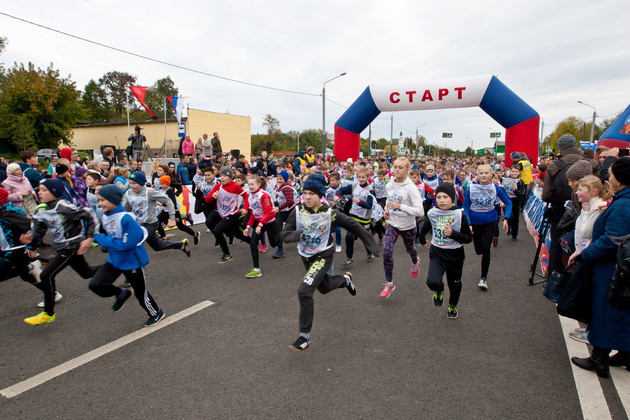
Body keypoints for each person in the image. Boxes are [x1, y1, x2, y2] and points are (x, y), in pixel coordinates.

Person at [281, 173, 379, 351]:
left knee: (304, 291)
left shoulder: (330, 214)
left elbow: (354, 225)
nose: (307, 197)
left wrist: (370, 244)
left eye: (312, 193)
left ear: (320, 195)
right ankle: (345, 280)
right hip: (306, 256)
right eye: (305, 193)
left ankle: (304, 337)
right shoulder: (298, 211)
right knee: (324, 288)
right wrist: (296, 235)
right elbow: (284, 234)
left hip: (323, 256)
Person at [569, 158, 630, 377]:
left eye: (611, 174)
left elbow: (613, 240)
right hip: (621, 267)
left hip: (613, 268)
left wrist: (586, 254)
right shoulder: (622, 200)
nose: (609, 178)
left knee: (606, 310)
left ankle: (599, 359)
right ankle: (625, 354)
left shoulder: (623, 205)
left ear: (620, 180)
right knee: (622, 310)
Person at [20, 178, 99, 325]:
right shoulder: (41, 210)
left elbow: (89, 214)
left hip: (71, 246)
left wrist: (89, 238)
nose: (39, 192)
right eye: (39, 189)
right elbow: (38, 230)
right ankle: (118, 266)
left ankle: (48, 313)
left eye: (44, 190)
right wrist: (30, 240)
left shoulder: (64, 207)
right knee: (86, 273)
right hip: (61, 247)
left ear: (54, 192)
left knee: (46, 275)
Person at [88, 184, 165, 327]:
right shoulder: (105, 216)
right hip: (115, 259)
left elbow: (126, 244)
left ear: (113, 200)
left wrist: (98, 238)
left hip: (132, 262)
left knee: (140, 293)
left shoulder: (126, 219)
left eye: (103, 200)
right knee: (96, 284)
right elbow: (105, 234)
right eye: (99, 200)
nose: (100, 204)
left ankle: (156, 312)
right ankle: (121, 293)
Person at [419, 183, 473, 319]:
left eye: (445, 197)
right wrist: (422, 238)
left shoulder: (459, 214)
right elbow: (426, 227)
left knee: (454, 284)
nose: (441, 200)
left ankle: (452, 305)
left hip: (455, 255)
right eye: (439, 197)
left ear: (452, 198)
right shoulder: (432, 213)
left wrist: (453, 234)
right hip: (437, 252)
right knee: (432, 282)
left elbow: (468, 238)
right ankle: (439, 289)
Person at [380, 157, 425, 298]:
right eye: (395, 167)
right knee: (386, 252)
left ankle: (415, 261)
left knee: (410, 249)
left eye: (401, 167)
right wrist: (386, 211)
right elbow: (389, 200)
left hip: (408, 226)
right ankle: (389, 283)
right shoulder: (389, 185)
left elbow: (420, 211)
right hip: (392, 224)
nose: (397, 170)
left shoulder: (411, 188)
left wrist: (400, 207)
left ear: (407, 170)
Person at [462, 164, 512, 290]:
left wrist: (506, 218)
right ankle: (483, 245)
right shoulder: (471, 188)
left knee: (486, 250)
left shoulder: (495, 188)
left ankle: (483, 278)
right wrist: (468, 223)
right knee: (478, 250)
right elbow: (465, 207)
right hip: (475, 222)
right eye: (481, 173)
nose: (484, 175)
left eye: (486, 173)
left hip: (490, 221)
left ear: (491, 174)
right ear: (477, 174)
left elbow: (509, 202)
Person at [121, 171, 191, 257]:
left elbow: (168, 201)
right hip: (138, 224)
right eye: (130, 183)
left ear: (141, 183)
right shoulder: (128, 193)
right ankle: (181, 244)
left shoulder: (149, 192)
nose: (131, 185)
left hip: (150, 224)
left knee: (136, 241)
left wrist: (172, 218)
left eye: (134, 183)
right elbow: (123, 208)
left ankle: (135, 263)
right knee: (158, 246)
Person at [542, 134, 584, 277]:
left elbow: (546, 195)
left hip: (560, 213)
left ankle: (554, 278)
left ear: (560, 148)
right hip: (583, 213)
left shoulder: (555, 165)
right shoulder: (589, 163)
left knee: (556, 245)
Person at [203, 166, 251, 263]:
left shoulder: (235, 187)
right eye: (221, 176)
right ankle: (227, 244)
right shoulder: (218, 186)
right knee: (210, 222)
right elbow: (207, 201)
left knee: (237, 234)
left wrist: (245, 208)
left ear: (230, 177)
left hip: (232, 214)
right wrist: (212, 196)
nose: (222, 178)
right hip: (221, 211)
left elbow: (246, 197)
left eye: (225, 176)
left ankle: (251, 243)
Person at [335, 166, 376, 266]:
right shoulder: (354, 185)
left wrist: (360, 202)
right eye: (359, 177)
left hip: (364, 218)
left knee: (365, 237)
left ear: (367, 178)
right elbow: (341, 190)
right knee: (349, 236)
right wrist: (337, 195)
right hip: (354, 215)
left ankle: (370, 252)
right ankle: (349, 257)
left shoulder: (370, 190)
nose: (361, 179)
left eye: (363, 177)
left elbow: (369, 205)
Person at [242, 174, 280, 278]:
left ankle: (284, 233)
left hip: (270, 222)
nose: (250, 186)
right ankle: (256, 269)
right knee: (253, 243)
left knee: (273, 243)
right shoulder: (250, 196)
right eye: (249, 184)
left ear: (259, 184)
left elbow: (267, 212)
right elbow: (253, 213)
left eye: (252, 184)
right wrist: (248, 227)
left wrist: (260, 225)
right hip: (260, 223)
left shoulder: (263, 195)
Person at [156, 175, 200, 245]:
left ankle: (195, 234)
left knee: (181, 226)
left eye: (163, 184)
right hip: (165, 211)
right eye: (160, 184)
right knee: (157, 221)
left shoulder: (170, 191)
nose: (161, 185)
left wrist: (163, 204)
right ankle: (164, 236)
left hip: (174, 211)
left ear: (167, 184)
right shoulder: (162, 190)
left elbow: (172, 203)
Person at [272, 170, 298, 259]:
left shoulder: (286, 187)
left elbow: (290, 201)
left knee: (295, 228)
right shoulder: (281, 186)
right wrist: (275, 203)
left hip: (290, 211)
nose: (279, 180)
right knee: (278, 229)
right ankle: (280, 250)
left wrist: (279, 208)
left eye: (281, 179)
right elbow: (282, 199)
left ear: (285, 179)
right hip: (282, 211)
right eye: (278, 178)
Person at [501, 163, 526, 240]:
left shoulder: (520, 182)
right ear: (510, 172)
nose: (514, 173)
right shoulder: (504, 179)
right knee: (510, 216)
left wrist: (515, 190)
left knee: (516, 219)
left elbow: (521, 194)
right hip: (507, 200)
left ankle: (514, 234)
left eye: (516, 171)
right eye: (513, 171)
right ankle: (509, 225)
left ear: (519, 173)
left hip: (516, 201)